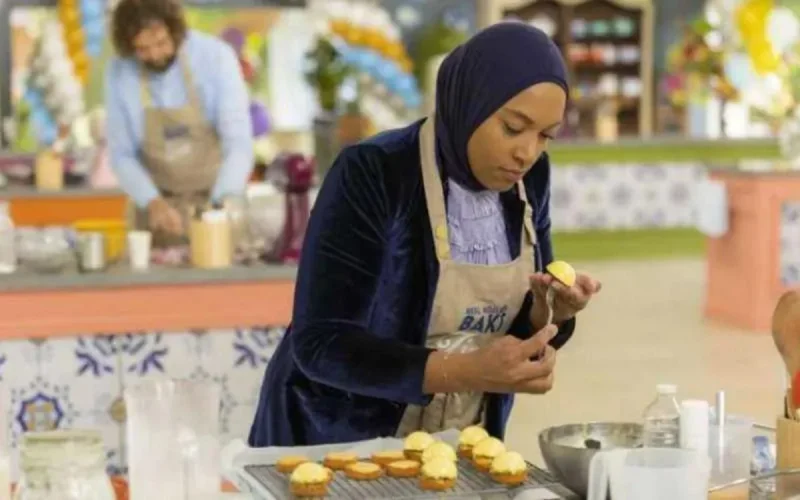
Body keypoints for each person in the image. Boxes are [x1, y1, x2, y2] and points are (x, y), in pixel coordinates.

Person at [249, 22, 602, 447]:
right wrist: (468, 370)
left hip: (459, 441)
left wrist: (552, 314)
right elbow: (322, 344)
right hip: (335, 440)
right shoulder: (374, 172)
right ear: (470, 103)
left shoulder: (531, 181)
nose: (526, 153)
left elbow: (518, 318)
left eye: (545, 135)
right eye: (513, 127)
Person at [106, 0, 253, 246]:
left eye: (162, 43)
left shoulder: (215, 58)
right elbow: (121, 155)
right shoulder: (120, 72)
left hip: (216, 203)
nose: (154, 55)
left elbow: (238, 144)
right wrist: (152, 201)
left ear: (176, 31)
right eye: (142, 48)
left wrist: (216, 207)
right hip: (156, 212)